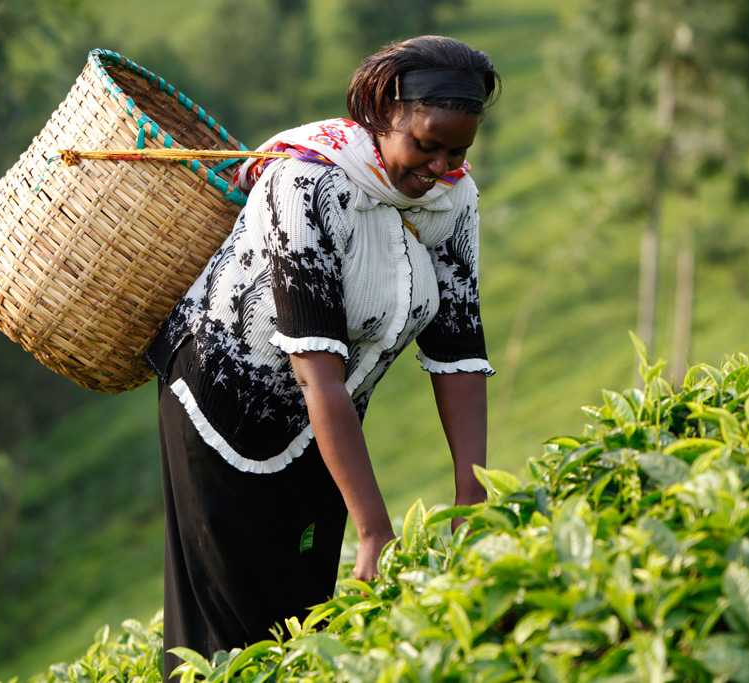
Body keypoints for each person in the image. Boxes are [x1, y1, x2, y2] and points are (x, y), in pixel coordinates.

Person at [144, 34, 501, 677]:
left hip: (325, 423)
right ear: (385, 112)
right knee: (226, 640)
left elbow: (459, 349)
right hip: (222, 407)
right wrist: (373, 527)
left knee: (304, 615)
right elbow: (316, 371)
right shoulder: (306, 182)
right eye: (426, 144)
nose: (440, 165)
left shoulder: (454, 198)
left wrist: (473, 497)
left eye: (458, 150)